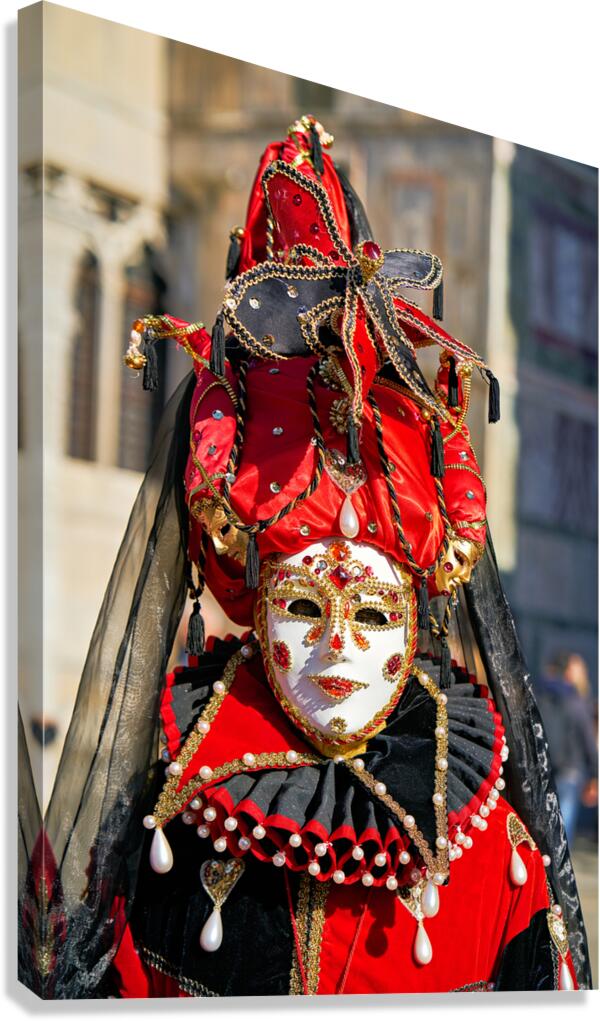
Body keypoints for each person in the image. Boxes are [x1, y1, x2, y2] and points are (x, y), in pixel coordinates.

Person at [19, 116, 591, 998]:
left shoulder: (490, 853)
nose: (339, 651)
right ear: (252, 599)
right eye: (303, 607)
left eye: (371, 612)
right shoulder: (166, 826)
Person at [535, 651, 598, 845]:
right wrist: (595, 775)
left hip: (542, 766)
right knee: (563, 826)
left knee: (541, 820)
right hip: (571, 770)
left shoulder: (538, 696)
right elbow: (587, 740)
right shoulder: (575, 701)